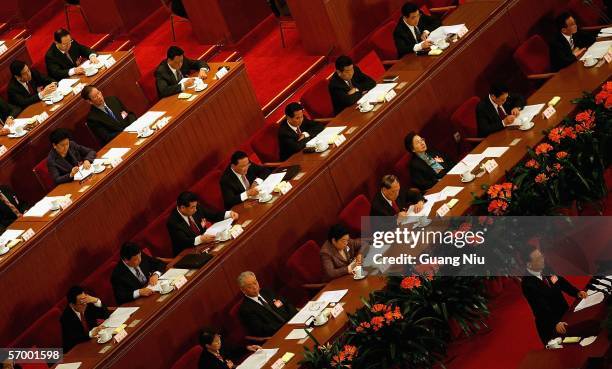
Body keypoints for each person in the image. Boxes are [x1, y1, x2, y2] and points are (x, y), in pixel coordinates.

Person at [521, 247, 588, 344]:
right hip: (550, 323)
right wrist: (555, 322)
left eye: (541, 256)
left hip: (565, 313)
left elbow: (560, 281)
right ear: (529, 264)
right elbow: (540, 308)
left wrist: (576, 292)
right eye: (539, 259)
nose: (543, 259)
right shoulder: (528, 284)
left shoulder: (546, 268)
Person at [167, 191, 239, 256]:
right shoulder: (173, 222)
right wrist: (201, 239)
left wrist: (229, 214)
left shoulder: (195, 207)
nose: (195, 210)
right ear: (182, 208)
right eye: (192, 207)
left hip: (206, 245)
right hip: (188, 253)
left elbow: (213, 215)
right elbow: (184, 242)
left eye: (195, 206)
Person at [237, 271, 297, 337]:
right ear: (243, 290)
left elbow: (286, 303)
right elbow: (262, 329)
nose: (255, 287)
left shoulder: (267, 292)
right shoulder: (246, 309)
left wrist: (295, 316)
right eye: (249, 287)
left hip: (293, 322)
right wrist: (285, 326)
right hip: (278, 334)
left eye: (255, 283)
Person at [60, 285, 110, 352]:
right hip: (76, 350)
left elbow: (105, 315)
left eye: (85, 301)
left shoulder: (87, 304)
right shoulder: (66, 317)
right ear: (72, 304)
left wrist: (96, 301)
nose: (85, 305)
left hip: (93, 342)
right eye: (81, 303)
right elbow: (74, 338)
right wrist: (91, 333)